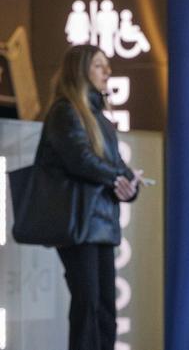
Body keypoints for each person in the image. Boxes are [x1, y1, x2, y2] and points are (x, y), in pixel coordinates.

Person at [35, 44, 141, 350]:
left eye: (106, 65)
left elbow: (116, 166)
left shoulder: (102, 119)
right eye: (99, 65)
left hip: (103, 224)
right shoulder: (65, 112)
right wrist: (117, 177)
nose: (108, 71)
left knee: (105, 311)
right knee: (88, 307)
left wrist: (129, 185)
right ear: (80, 71)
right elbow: (80, 159)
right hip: (79, 223)